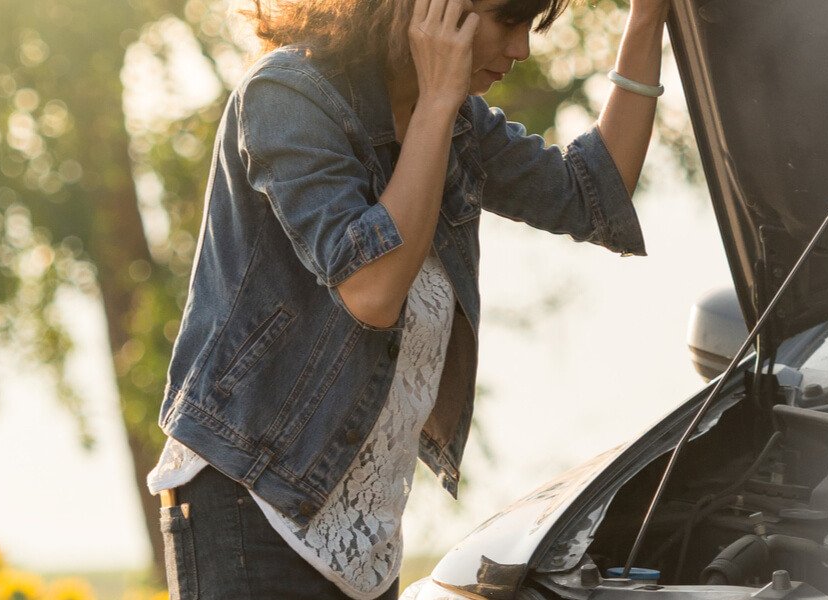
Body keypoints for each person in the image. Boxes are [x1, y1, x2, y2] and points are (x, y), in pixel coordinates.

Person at [143, 0, 667, 596]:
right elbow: (373, 289)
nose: (521, 49)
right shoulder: (287, 95)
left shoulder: (455, 124)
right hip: (251, 505)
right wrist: (439, 105)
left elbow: (592, 194)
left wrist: (648, 17)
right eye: (508, 20)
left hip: (367, 538)